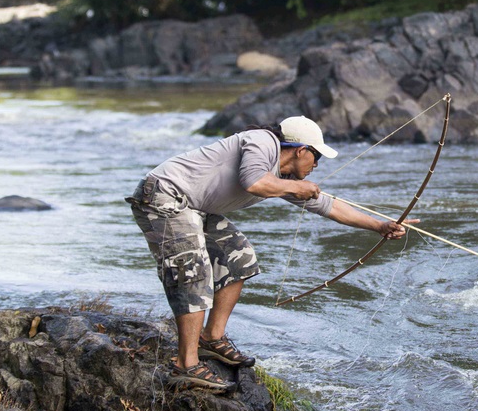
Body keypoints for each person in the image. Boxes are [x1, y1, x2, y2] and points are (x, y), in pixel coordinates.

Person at [127, 115, 408, 391]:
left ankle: (212, 339)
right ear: (300, 150)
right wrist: (296, 186)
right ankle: (186, 365)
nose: (317, 166)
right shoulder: (262, 142)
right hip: (165, 196)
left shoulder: (280, 177)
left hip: (195, 207)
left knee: (240, 258)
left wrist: (379, 226)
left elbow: (329, 206)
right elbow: (253, 181)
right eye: (316, 158)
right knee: (193, 274)